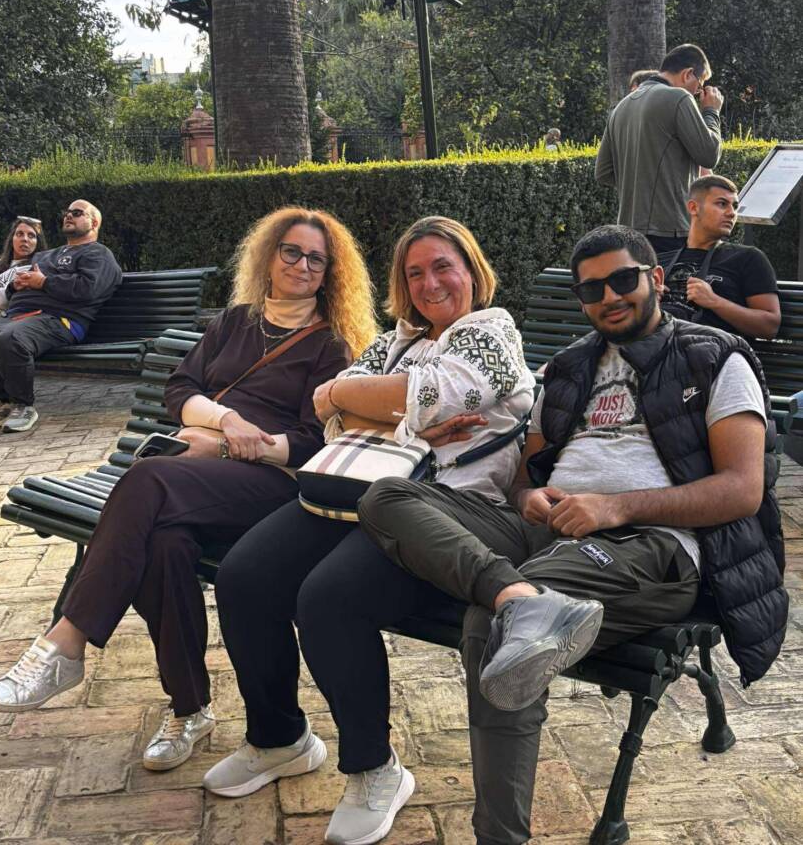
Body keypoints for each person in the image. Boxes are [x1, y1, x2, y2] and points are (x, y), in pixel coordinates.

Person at [357, 224, 787, 845]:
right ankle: (517, 596)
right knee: (387, 496)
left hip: (651, 547)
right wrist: (527, 497)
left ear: (655, 279)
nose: (609, 297)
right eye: (591, 289)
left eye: (622, 280)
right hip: (551, 533)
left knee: (491, 628)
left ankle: (500, 836)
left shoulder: (714, 356)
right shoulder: (567, 368)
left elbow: (743, 490)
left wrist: (614, 508)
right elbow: (525, 475)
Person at [0, 207, 376, 775]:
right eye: (292, 251)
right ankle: (189, 709)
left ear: (330, 274)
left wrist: (229, 445)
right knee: (163, 546)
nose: (302, 266)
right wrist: (225, 421)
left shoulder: (330, 345)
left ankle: (67, 640)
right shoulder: (235, 321)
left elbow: (308, 442)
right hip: (197, 479)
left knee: (147, 478)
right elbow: (181, 388)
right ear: (270, 255)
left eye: (316, 260)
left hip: (269, 485)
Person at [205, 216, 535, 845]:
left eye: (443, 267)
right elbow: (326, 406)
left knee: (327, 598)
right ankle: (278, 739)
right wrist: (394, 410)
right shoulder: (397, 340)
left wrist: (372, 401)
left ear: (472, 270)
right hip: (354, 490)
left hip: (440, 513)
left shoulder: (493, 333)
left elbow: (433, 396)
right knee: (244, 577)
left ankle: (374, 767)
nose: (430, 284)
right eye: (415, 273)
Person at [0, 200, 122, 433]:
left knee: (11, 339)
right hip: (19, 316)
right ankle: (2, 401)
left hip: (59, 320)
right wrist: (16, 286)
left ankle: (23, 406)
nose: (68, 216)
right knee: (8, 334)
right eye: (67, 212)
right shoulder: (44, 256)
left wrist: (44, 282)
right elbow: (20, 286)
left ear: (94, 222)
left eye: (77, 212)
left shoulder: (98, 254)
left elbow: (88, 289)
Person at [596, 44, 725, 254]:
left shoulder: (621, 107)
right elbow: (709, 155)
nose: (698, 93)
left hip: (629, 231)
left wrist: (642, 183)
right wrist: (711, 111)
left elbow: (603, 173)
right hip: (670, 229)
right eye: (700, 85)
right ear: (688, 74)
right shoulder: (678, 97)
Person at [659, 175, 780, 340]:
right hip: (659, 347)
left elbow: (770, 327)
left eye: (735, 206)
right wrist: (647, 299)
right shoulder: (662, 260)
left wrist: (714, 301)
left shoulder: (748, 258)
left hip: (716, 350)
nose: (732, 213)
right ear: (694, 208)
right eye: (722, 204)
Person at [0, 217, 47, 316]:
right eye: (20, 234)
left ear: (38, 243)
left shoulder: (34, 270)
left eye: (31, 236)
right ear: (12, 239)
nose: (25, 239)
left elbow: (6, 301)